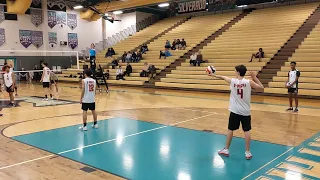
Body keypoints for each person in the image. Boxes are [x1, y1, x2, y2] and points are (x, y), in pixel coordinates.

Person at [209, 65, 264, 160]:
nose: (234, 72)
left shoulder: (232, 81)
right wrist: (255, 78)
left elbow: (222, 77)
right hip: (246, 111)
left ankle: (226, 149)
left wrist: (213, 75)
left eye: (235, 71)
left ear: (238, 72)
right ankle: (247, 152)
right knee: (247, 131)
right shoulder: (249, 82)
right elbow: (262, 88)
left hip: (234, 111)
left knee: (230, 129)